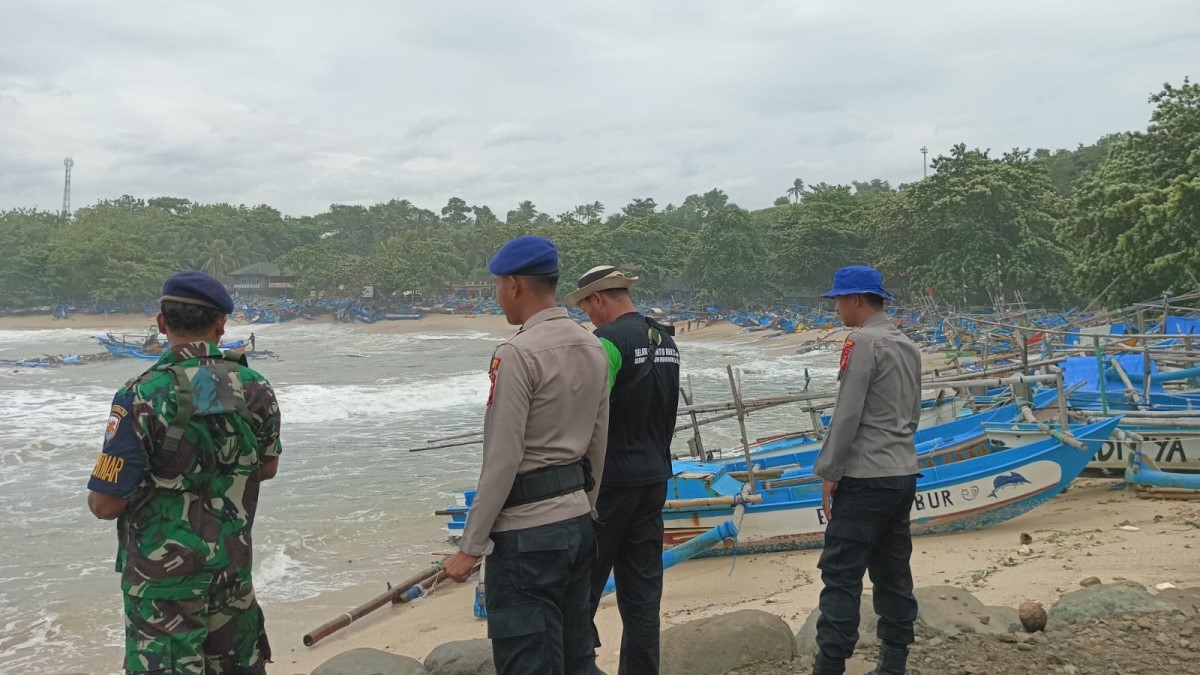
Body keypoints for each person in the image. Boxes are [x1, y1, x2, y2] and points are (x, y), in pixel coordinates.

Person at [86, 270, 282, 675]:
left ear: (161, 322)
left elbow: (106, 504)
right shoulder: (254, 386)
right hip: (231, 573)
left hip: (163, 589)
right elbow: (267, 467)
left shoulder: (141, 394)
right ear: (220, 323)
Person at [443, 236, 610, 675]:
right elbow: (598, 441)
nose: (498, 296)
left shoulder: (516, 353)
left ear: (514, 285)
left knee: (528, 662)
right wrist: (584, 509)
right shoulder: (593, 346)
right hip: (576, 523)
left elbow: (503, 457)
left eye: (497, 286)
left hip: (527, 537)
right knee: (577, 656)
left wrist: (470, 546)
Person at [566, 265, 680, 675]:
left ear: (598, 299)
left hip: (611, 483)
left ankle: (581, 666)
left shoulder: (607, 342)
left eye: (586, 308)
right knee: (643, 595)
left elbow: (591, 413)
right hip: (654, 479)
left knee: (583, 588)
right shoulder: (664, 339)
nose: (587, 317)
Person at [810, 266, 921, 675]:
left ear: (856, 299)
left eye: (838, 300)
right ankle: (893, 662)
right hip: (902, 470)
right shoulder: (906, 343)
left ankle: (831, 664)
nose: (836, 308)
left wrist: (830, 471)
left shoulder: (861, 341)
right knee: (893, 570)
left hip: (865, 475)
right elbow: (912, 413)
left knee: (841, 572)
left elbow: (848, 412)